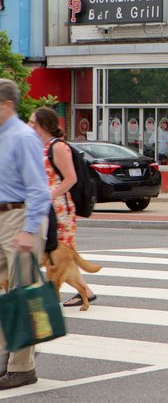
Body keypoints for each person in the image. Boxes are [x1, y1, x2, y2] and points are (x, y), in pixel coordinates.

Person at [0, 79, 51, 390]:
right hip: (4, 218)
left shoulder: (23, 138)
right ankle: (5, 356)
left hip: (20, 219)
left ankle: (22, 367)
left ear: (6, 105)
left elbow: (39, 190)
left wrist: (29, 230)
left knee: (22, 295)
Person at [29, 107, 97, 307]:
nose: (30, 125)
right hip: (46, 207)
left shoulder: (58, 146)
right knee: (57, 255)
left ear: (43, 125)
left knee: (58, 254)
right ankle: (85, 291)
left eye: (33, 122)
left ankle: (52, 297)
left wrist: (48, 196)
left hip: (59, 210)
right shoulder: (41, 145)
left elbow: (71, 178)